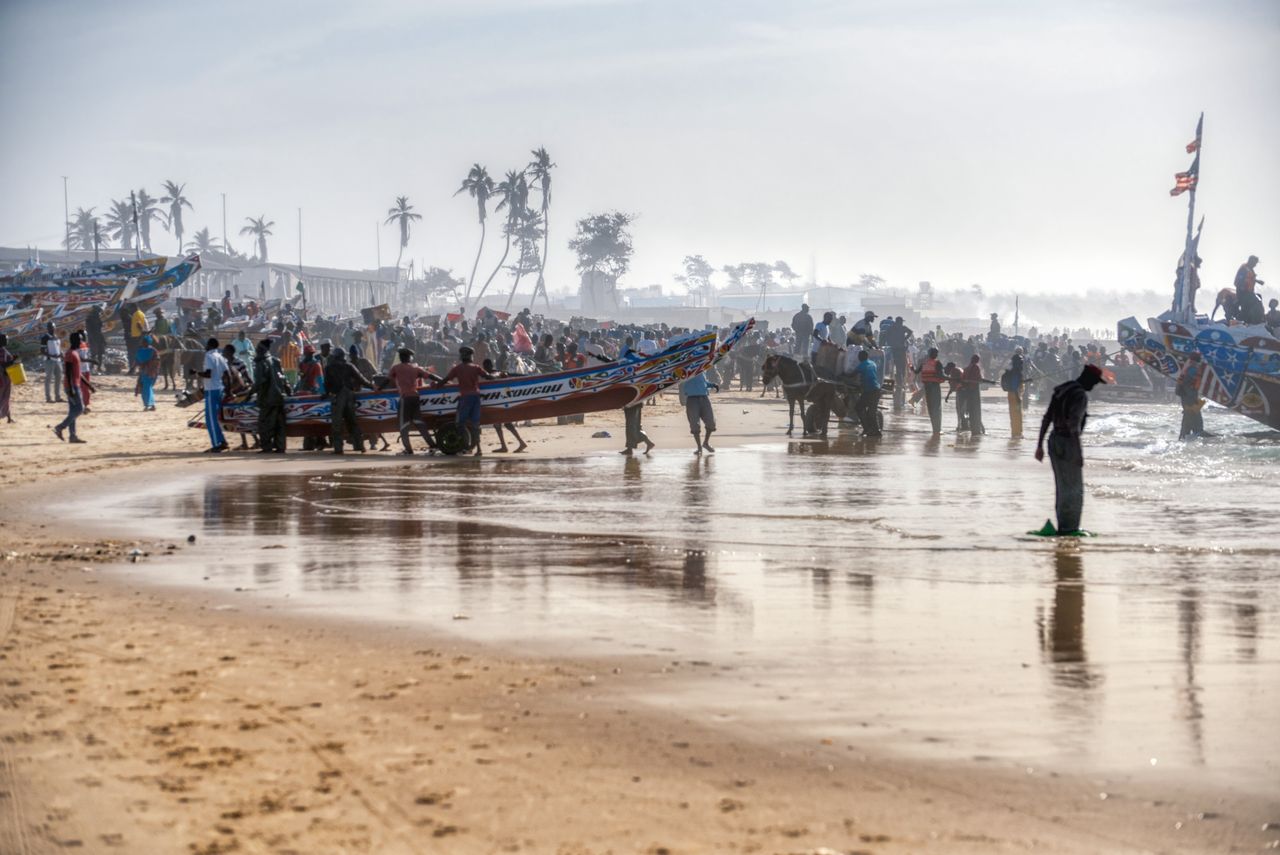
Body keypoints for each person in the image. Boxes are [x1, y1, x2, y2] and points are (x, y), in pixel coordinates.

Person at [1035, 364, 1107, 535]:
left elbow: (1047, 418)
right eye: (1094, 382)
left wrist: (1039, 445)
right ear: (1087, 378)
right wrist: (1078, 453)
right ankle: (1069, 528)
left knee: (1061, 486)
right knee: (1074, 489)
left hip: (1053, 441)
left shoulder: (1062, 389)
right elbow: (1073, 424)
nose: (1094, 386)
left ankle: (1062, 525)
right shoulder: (1080, 395)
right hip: (1068, 442)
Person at [435, 346, 494, 455]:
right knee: (475, 425)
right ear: (471, 356)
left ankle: (466, 447)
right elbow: (488, 377)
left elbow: (446, 380)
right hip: (476, 398)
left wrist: (437, 385)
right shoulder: (476, 367)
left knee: (459, 423)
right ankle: (479, 450)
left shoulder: (457, 368)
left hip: (465, 398)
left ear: (462, 356)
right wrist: (498, 376)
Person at [388, 348, 440, 455]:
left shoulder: (396, 368)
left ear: (400, 357)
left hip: (405, 398)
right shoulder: (415, 368)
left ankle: (408, 450)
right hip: (415, 397)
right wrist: (445, 381)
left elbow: (387, 380)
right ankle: (433, 446)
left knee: (403, 425)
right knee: (419, 423)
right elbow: (431, 376)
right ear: (409, 358)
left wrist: (377, 389)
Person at [323, 349, 371, 454]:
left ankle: (338, 448)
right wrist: (373, 387)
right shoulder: (349, 366)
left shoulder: (329, 368)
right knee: (352, 421)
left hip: (337, 395)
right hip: (349, 395)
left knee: (337, 423)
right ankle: (359, 446)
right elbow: (361, 379)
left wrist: (326, 394)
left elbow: (326, 384)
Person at [192, 337, 230, 453]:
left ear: (210, 345)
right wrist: (228, 389)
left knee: (210, 420)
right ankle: (222, 441)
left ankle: (217, 444)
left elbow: (208, 374)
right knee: (216, 418)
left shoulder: (209, 356)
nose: (205, 346)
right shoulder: (220, 356)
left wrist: (196, 373)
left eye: (207, 344)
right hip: (220, 389)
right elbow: (227, 374)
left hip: (211, 390)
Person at [254, 339, 289, 453]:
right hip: (280, 397)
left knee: (264, 424)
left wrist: (249, 393)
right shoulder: (276, 360)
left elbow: (259, 382)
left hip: (267, 398)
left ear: (261, 349)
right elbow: (283, 379)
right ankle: (280, 446)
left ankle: (267, 447)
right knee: (279, 424)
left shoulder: (261, 363)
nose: (256, 350)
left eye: (258, 348)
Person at [53, 332, 90, 443]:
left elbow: (78, 372)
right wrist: (71, 389)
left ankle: (72, 436)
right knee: (80, 409)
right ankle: (60, 427)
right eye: (79, 340)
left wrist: (89, 385)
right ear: (73, 341)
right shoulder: (70, 354)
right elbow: (68, 372)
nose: (80, 341)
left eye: (81, 339)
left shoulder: (75, 353)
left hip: (74, 384)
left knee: (73, 411)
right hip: (72, 385)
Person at [680, 368, 718, 454]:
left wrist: (712, 385)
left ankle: (706, 443)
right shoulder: (686, 368)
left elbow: (703, 383)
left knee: (711, 423)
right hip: (692, 399)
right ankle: (699, 447)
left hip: (704, 397)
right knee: (694, 425)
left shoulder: (702, 368)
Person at [1175, 351, 1206, 440]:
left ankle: (1185, 437)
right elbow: (1192, 384)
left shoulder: (1188, 367)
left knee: (1189, 417)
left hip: (1187, 396)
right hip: (1190, 396)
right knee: (1194, 418)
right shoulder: (1193, 369)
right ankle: (1190, 436)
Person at [914, 347, 944, 435]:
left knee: (930, 408)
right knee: (937, 408)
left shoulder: (924, 363)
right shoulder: (937, 363)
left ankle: (934, 429)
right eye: (936, 353)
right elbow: (941, 376)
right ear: (935, 354)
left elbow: (916, 372)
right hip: (935, 387)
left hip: (927, 388)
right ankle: (938, 430)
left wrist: (911, 366)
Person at [852, 350, 882, 437]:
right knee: (870, 411)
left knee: (859, 408)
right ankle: (873, 430)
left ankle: (869, 429)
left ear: (860, 357)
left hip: (870, 390)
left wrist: (843, 374)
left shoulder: (861, 365)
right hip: (876, 389)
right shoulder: (872, 363)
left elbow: (852, 374)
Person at [961, 354, 988, 435]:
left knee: (970, 410)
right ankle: (977, 430)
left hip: (968, 391)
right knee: (976, 410)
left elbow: (964, 378)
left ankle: (973, 428)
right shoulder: (976, 367)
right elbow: (979, 379)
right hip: (975, 390)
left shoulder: (967, 368)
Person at [1234, 255, 1264, 324]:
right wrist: (1242, 288)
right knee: (1255, 304)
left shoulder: (1250, 269)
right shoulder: (1244, 268)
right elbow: (1239, 280)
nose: (1255, 265)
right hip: (1244, 293)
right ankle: (1247, 322)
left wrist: (1258, 281)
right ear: (1251, 261)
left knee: (1254, 303)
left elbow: (1250, 278)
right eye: (1255, 263)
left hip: (1249, 292)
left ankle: (1251, 322)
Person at [134, 335, 159, 411]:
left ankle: (147, 404)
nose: (143, 343)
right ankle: (152, 404)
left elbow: (157, 361)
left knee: (146, 388)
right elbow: (137, 361)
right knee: (147, 388)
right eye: (143, 342)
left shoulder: (152, 351)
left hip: (150, 372)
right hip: (145, 372)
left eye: (144, 342)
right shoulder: (151, 351)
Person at [1005, 348, 1025, 438]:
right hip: (1015, 394)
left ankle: (1014, 433)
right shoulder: (1016, 373)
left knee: (1012, 413)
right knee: (1017, 413)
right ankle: (1018, 433)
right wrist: (1018, 396)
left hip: (1011, 394)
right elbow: (1015, 384)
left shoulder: (1010, 367)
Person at [43, 326, 63, 404]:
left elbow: (58, 348)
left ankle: (57, 397)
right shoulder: (45, 338)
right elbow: (42, 350)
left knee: (58, 378)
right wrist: (52, 356)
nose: (52, 329)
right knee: (48, 379)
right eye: (50, 328)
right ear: (48, 329)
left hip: (58, 360)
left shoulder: (56, 337)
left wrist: (61, 354)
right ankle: (48, 397)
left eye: (53, 327)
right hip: (49, 360)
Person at [0, 334, 15, 424]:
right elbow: (3, 365)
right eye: (6, 339)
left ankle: (9, 417)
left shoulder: (4, 351)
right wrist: (13, 361)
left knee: (5, 397)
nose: (7, 340)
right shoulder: (2, 352)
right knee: (4, 397)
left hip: (5, 377)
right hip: (3, 378)